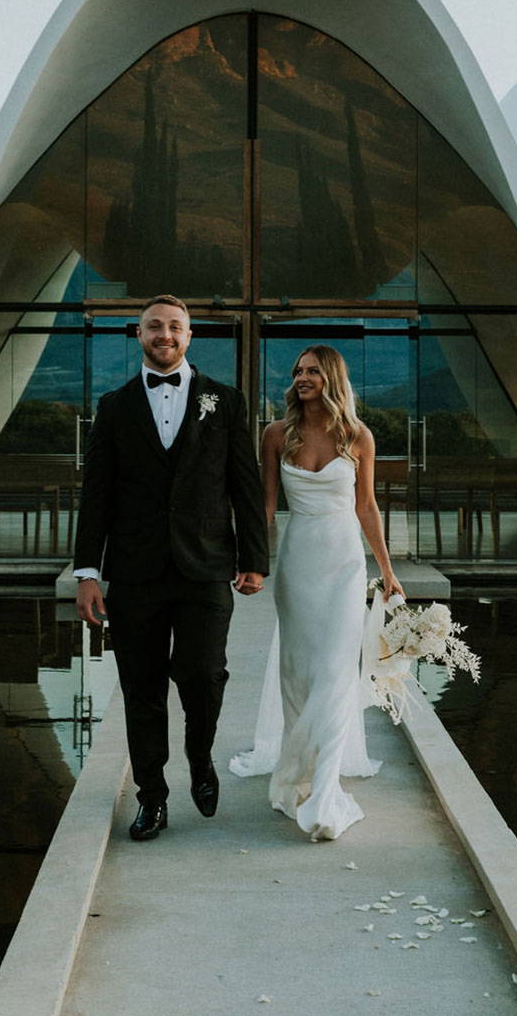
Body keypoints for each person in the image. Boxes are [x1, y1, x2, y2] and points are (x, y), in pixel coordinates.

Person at [74, 295, 268, 841]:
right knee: (142, 687)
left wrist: (255, 559)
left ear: (190, 336)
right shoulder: (113, 407)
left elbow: (244, 485)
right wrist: (87, 572)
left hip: (206, 566)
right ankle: (152, 797)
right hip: (135, 572)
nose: (165, 334)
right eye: (155, 326)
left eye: (175, 327)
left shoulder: (225, 402)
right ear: (139, 336)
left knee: (204, 675)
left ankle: (201, 760)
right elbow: (97, 496)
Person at [230, 345, 402, 841]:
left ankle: (325, 792)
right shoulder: (276, 434)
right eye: (298, 371)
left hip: (345, 563)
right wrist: (251, 561)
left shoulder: (358, 436)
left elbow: (367, 507)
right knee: (299, 671)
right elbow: (264, 505)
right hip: (299, 562)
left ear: (331, 378)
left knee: (335, 669)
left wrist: (386, 571)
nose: (301, 377)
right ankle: (299, 773)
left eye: (311, 371)